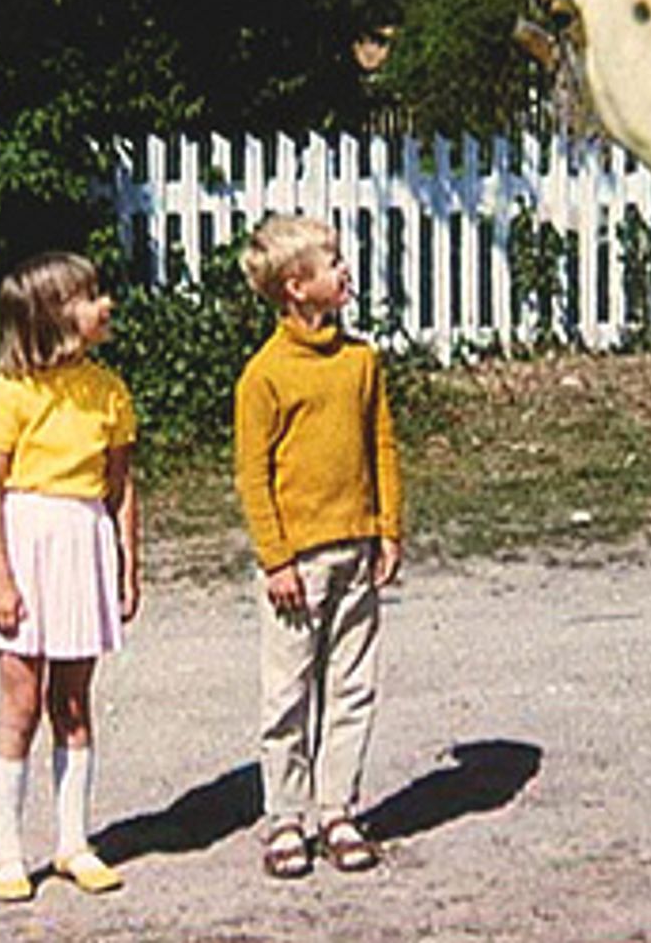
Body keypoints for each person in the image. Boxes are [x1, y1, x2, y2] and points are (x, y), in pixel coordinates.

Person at [0, 251, 142, 902]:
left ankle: (73, 842)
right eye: (89, 297)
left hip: (83, 547)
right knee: (21, 704)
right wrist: (1, 578)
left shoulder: (109, 389)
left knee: (75, 705)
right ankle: (5, 848)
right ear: (53, 317)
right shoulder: (5, 395)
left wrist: (127, 563)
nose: (104, 304)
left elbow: (121, 487)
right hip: (25, 549)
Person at [234, 215, 403, 880]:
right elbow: (253, 473)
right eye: (333, 263)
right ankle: (286, 815)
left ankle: (338, 808)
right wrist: (276, 557)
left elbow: (381, 444)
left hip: (356, 548)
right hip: (295, 564)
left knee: (353, 681)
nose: (345, 271)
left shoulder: (361, 360)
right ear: (296, 286)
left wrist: (388, 527)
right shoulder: (265, 375)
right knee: (289, 690)